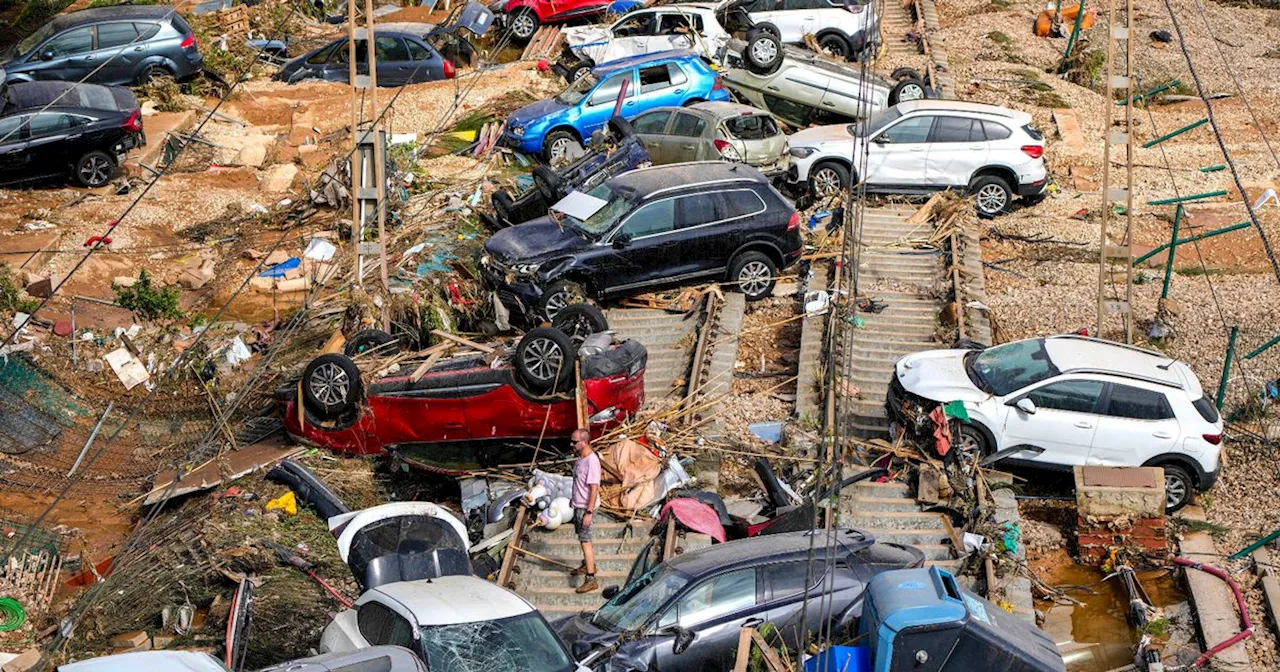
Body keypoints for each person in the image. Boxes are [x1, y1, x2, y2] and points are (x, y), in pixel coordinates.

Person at [570, 428, 601, 593]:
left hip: (586, 508)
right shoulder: (580, 459)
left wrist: (589, 512)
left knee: (585, 541)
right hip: (578, 505)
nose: (572, 444)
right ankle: (587, 564)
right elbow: (578, 483)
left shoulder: (591, 461)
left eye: (574, 441)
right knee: (582, 539)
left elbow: (594, 488)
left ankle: (591, 578)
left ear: (584, 442)